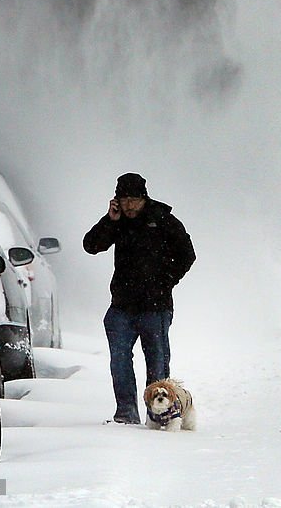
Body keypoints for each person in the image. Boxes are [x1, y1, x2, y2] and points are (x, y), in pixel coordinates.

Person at [83, 173, 196, 424]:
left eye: (134, 200)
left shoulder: (163, 219)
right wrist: (109, 221)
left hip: (156, 307)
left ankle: (158, 417)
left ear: (144, 198)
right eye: (125, 200)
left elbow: (187, 254)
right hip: (121, 306)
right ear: (117, 201)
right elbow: (91, 245)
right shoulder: (117, 221)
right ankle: (126, 414)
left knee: (157, 362)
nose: (130, 206)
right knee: (120, 360)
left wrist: (165, 282)